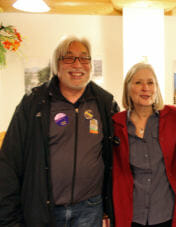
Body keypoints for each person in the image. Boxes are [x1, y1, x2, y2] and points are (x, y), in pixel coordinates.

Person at [0, 35, 119, 227]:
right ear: (57, 65)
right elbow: (9, 161)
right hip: (44, 208)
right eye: (69, 57)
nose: (77, 64)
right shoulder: (34, 103)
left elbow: (115, 158)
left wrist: (110, 206)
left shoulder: (105, 103)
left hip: (90, 208)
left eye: (84, 58)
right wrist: (8, 217)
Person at [112, 62, 176, 227]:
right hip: (131, 215)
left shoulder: (174, 116)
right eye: (138, 82)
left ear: (156, 87)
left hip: (166, 213)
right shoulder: (116, 124)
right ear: (128, 87)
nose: (145, 88)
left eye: (150, 82)